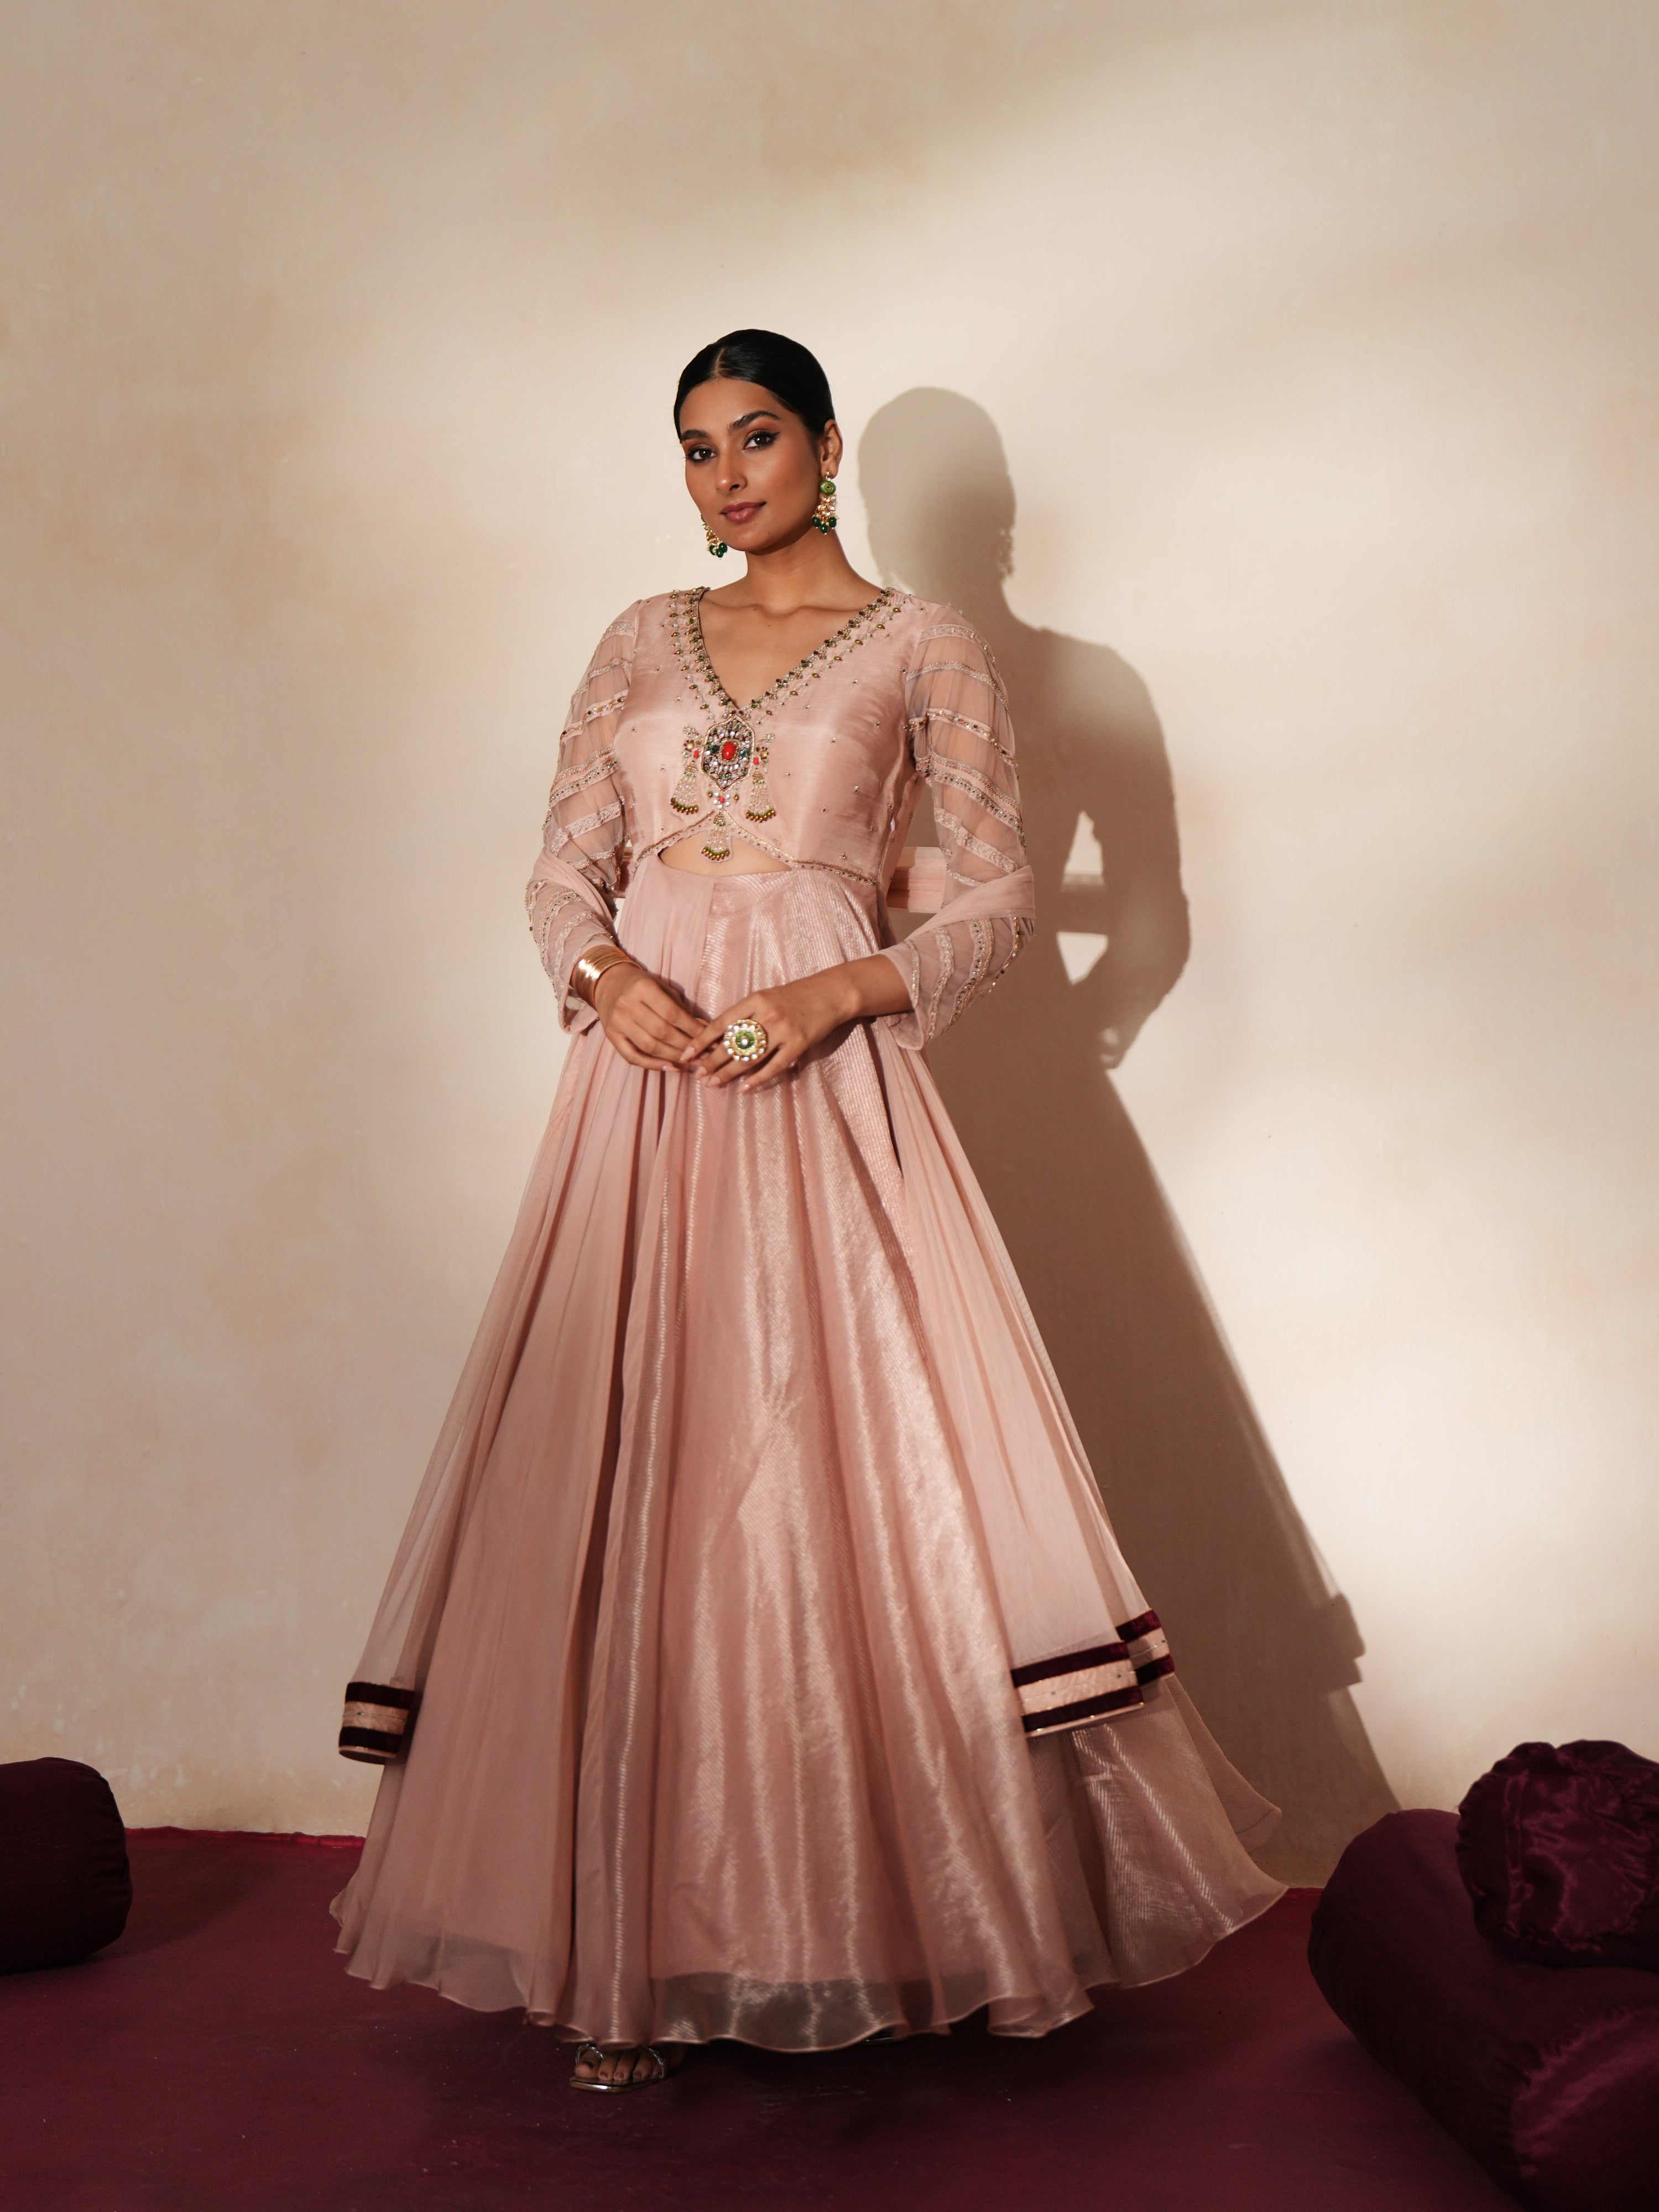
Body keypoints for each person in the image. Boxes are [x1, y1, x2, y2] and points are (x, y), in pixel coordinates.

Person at [331, 330, 1284, 2092]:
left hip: (827, 1083)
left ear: (827, 447)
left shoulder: (933, 648)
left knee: (855, 1474)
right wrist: (600, 976)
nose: (724, 476)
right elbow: (562, 864)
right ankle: (630, 1950)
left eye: (755, 437)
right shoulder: (636, 638)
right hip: (648, 1079)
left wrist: (844, 994)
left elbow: (1002, 900)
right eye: (695, 448)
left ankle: (879, 1922)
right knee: (642, 1460)